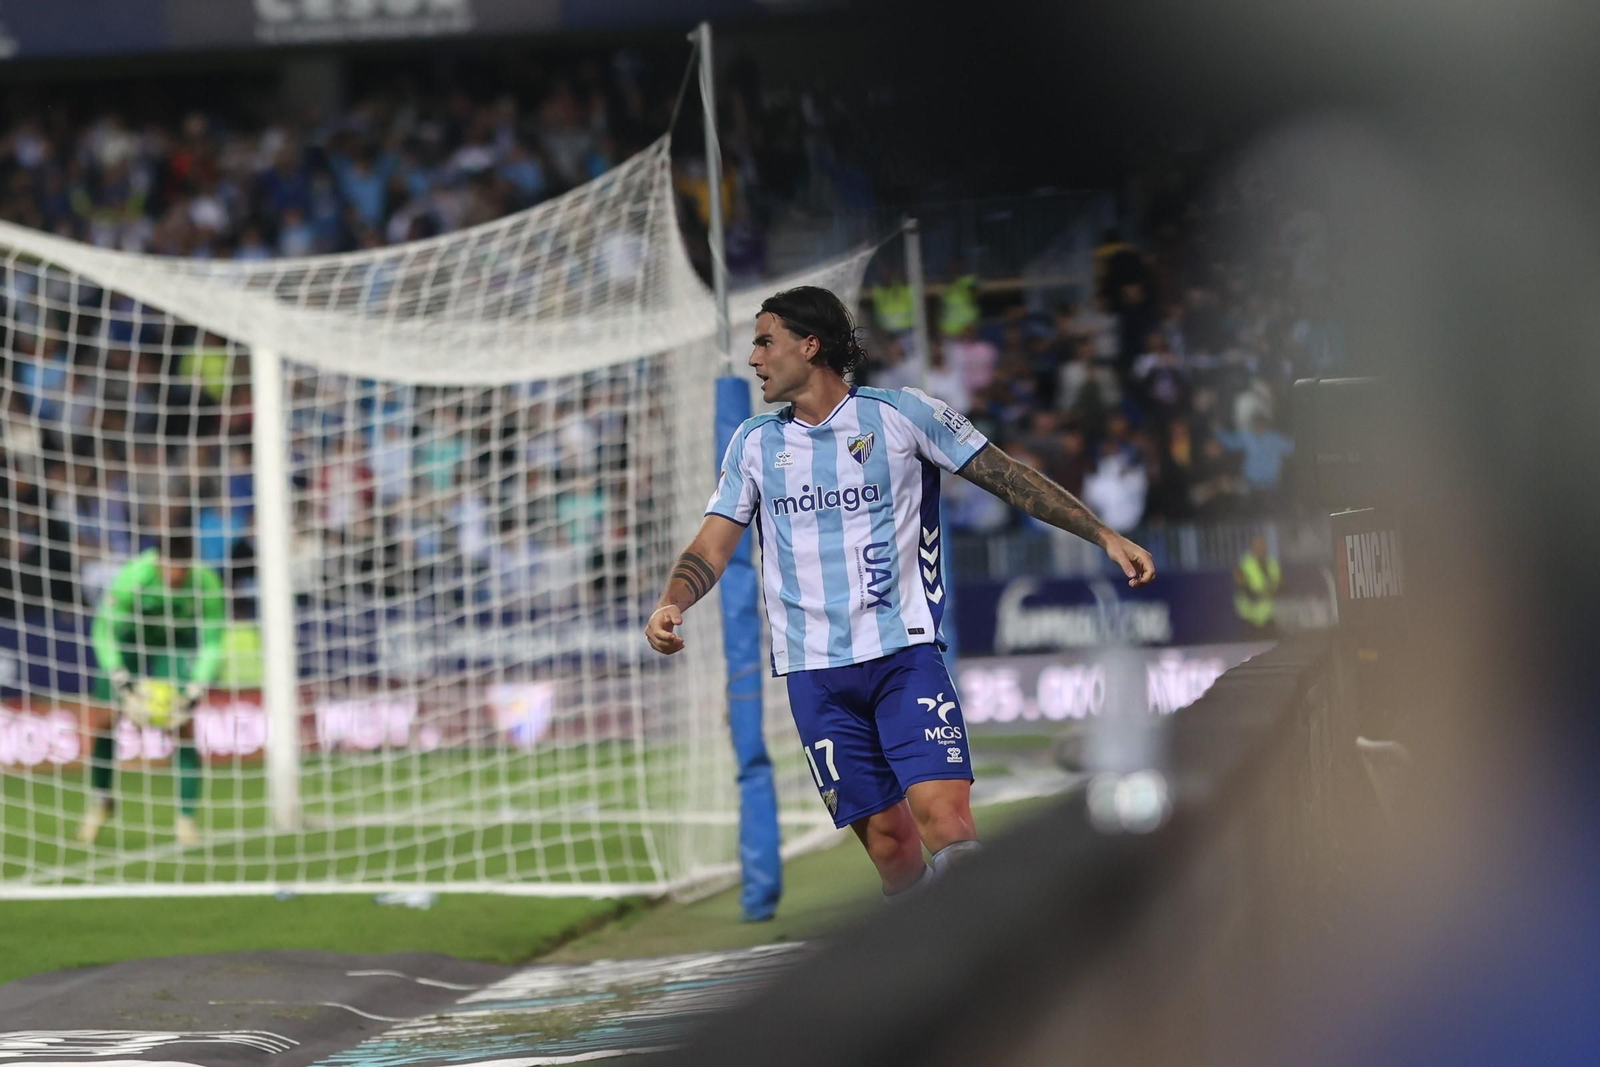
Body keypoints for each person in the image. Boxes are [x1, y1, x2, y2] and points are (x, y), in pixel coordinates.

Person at [644, 286, 1155, 900]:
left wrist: (1101, 534)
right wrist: (674, 600)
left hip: (904, 656)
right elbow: (711, 546)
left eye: (763, 341)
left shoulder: (902, 414)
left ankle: (995, 965)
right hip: (816, 674)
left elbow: (1009, 477)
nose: (753, 358)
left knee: (947, 821)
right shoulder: (754, 443)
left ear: (810, 346)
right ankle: (930, 971)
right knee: (890, 846)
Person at [78, 527, 226, 847]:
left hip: (176, 645)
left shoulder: (205, 583)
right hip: (129, 641)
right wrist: (121, 678)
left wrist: (196, 688)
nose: (176, 575)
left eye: (183, 568)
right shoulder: (134, 576)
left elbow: (213, 641)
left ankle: (186, 819)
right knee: (104, 721)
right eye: (171, 566)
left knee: (183, 724)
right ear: (158, 561)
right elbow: (104, 630)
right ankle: (101, 800)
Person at [1234, 533, 1282, 636]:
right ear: (1252, 547)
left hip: (1267, 616)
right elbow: (1240, 584)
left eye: (1262, 545)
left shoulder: (1272, 563)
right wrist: (1250, 592)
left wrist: (1274, 590)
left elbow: (1279, 583)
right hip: (1249, 618)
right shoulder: (1245, 563)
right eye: (1257, 546)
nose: (1260, 548)